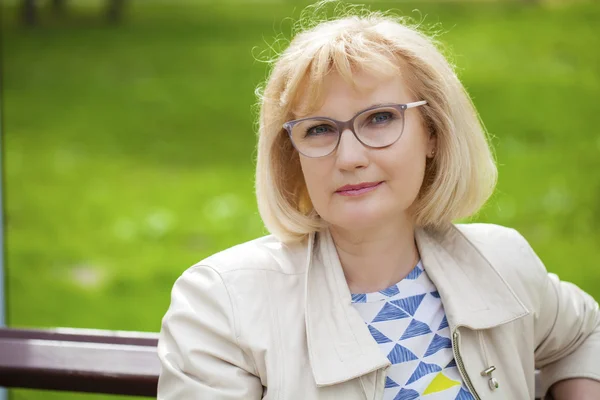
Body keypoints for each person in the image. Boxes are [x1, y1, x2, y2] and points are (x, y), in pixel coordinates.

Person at [156, 3, 600, 399]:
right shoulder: (223, 305)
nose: (349, 158)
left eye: (380, 118)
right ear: (293, 157)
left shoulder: (503, 264)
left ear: (433, 133)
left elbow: (586, 335)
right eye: (319, 129)